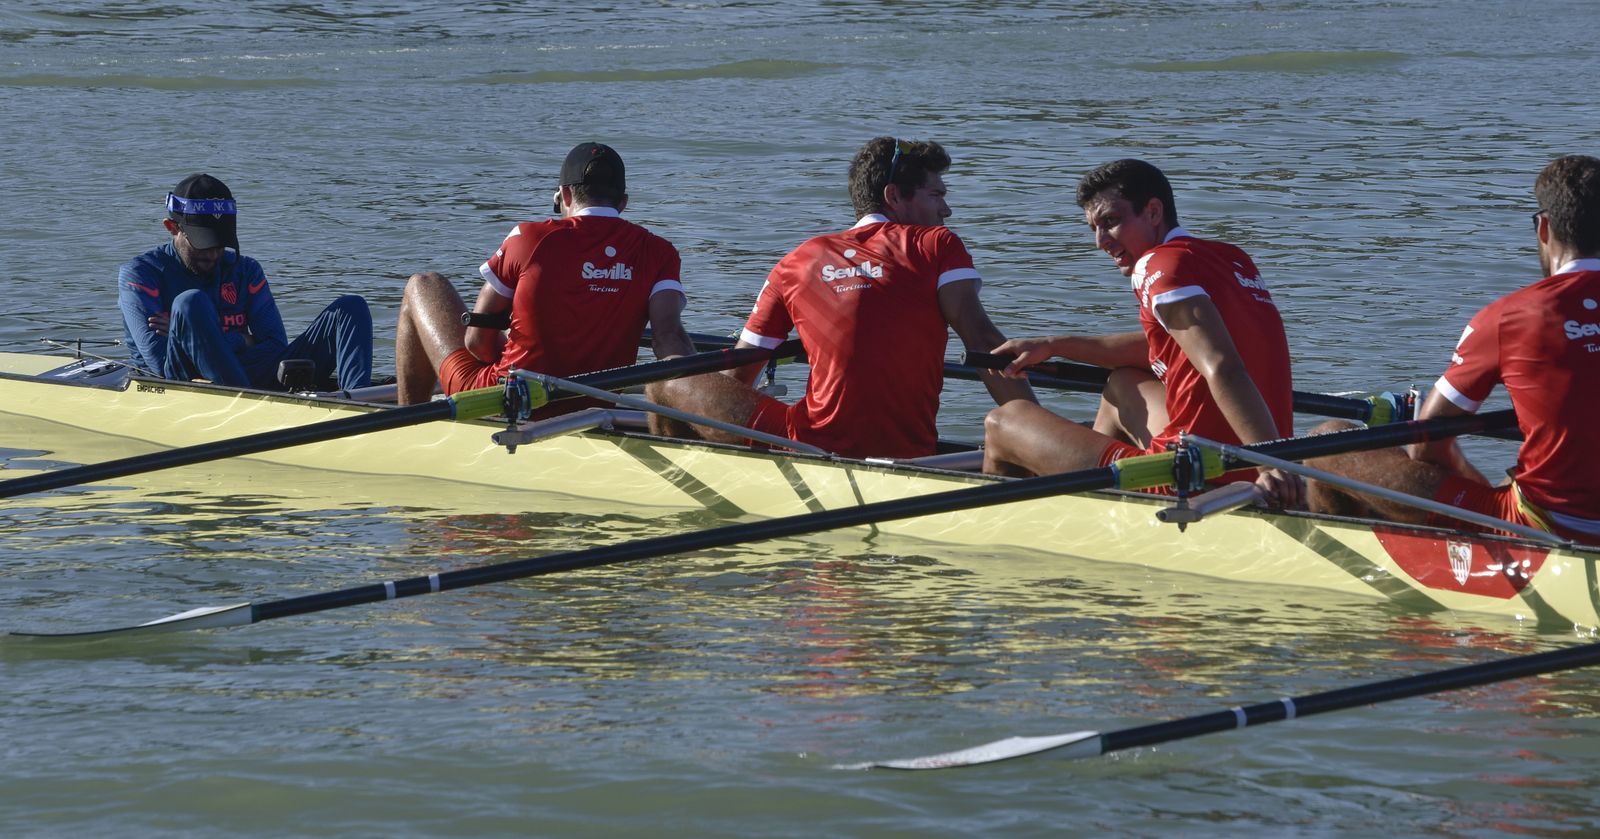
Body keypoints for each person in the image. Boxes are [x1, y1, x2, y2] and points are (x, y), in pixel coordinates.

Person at [646, 137, 1036, 460]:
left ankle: (697, 476)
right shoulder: (936, 244)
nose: (946, 210)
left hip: (802, 440)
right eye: (936, 195)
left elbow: (739, 375)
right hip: (906, 449)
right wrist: (1036, 439)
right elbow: (984, 345)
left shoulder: (796, 261)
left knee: (663, 383)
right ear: (894, 196)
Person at [1306, 154, 1600, 541]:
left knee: (1327, 440)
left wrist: (1477, 489)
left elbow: (1429, 440)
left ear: (1543, 228)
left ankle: (1341, 558)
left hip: (1547, 526)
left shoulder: (1510, 316)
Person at [981, 158, 1301, 504]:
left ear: (1152, 212)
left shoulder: (1155, 264)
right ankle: (1085, 496)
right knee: (1121, 383)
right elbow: (1174, 346)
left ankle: (1020, 517)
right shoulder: (1232, 258)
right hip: (1242, 458)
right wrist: (1054, 345)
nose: (1101, 241)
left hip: (1191, 475)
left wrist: (1271, 462)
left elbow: (1222, 365)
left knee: (1003, 421)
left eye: (1111, 222)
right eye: (1094, 228)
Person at [394, 142, 694, 407]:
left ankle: (406, 424)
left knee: (423, 284)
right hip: (597, 399)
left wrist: (517, 344)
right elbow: (668, 340)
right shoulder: (659, 252)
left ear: (564, 194)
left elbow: (477, 342)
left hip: (506, 395)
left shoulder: (529, 238)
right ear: (623, 202)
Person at [118, 173, 373, 391]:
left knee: (350, 308)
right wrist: (243, 339)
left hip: (253, 374)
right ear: (172, 227)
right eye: (203, 243)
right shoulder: (141, 274)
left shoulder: (246, 270)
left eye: (220, 243)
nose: (214, 253)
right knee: (190, 302)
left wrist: (195, 336)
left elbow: (275, 347)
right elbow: (161, 363)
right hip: (184, 383)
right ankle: (244, 400)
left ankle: (357, 403)